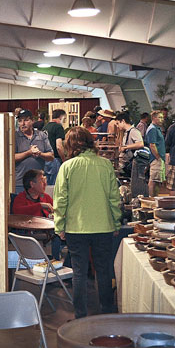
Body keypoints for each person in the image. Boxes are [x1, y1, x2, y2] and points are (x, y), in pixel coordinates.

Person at [54, 127, 121, 319]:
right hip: (103, 227)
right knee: (104, 270)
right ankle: (107, 311)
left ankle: (80, 315)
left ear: (70, 145)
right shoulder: (105, 164)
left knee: (79, 272)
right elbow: (113, 198)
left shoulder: (66, 167)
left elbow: (60, 200)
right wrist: (116, 222)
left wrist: (60, 226)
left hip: (76, 227)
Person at [43, 109, 66, 185]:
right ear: (60, 117)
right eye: (64, 119)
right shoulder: (58, 127)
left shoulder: (45, 127)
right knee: (55, 185)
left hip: (45, 159)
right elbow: (59, 146)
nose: (64, 121)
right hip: (55, 159)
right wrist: (64, 159)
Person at [146, 111, 166, 196]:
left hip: (159, 158)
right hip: (155, 158)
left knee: (157, 181)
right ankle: (151, 199)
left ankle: (155, 198)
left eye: (162, 117)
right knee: (153, 181)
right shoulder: (152, 129)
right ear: (154, 118)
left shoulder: (157, 128)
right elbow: (152, 144)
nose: (162, 119)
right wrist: (158, 157)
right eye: (160, 117)